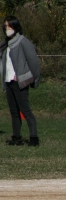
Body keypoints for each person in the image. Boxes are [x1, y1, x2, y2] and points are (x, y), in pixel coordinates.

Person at [2, 16, 41, 146]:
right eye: (5, 26)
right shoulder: (6, 44)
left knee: (25, 110)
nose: (7, 29)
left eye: (9, 26)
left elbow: (33, 62)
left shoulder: (23, 42)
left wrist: (33, 79)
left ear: (16, 27)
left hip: (20, 82)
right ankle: (16, 137)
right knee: (14, 112)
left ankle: (34, 138)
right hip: (9, 81)